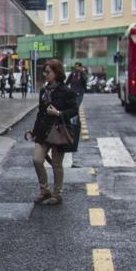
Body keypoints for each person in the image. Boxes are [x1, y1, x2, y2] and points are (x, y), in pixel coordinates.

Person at [28, 59, 78, 206]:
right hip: (43, 131)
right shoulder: (44, 91)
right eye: (45, 72)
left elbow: (74, 110)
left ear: (57, 73)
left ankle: (57, 194)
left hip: (58, 131)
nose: (46, 75)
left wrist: (58, 113)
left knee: (56, 164)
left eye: (48, 72)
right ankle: (44, 191)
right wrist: (35, 132)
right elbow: (40, 112)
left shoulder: (67, 92)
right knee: (37, 160)